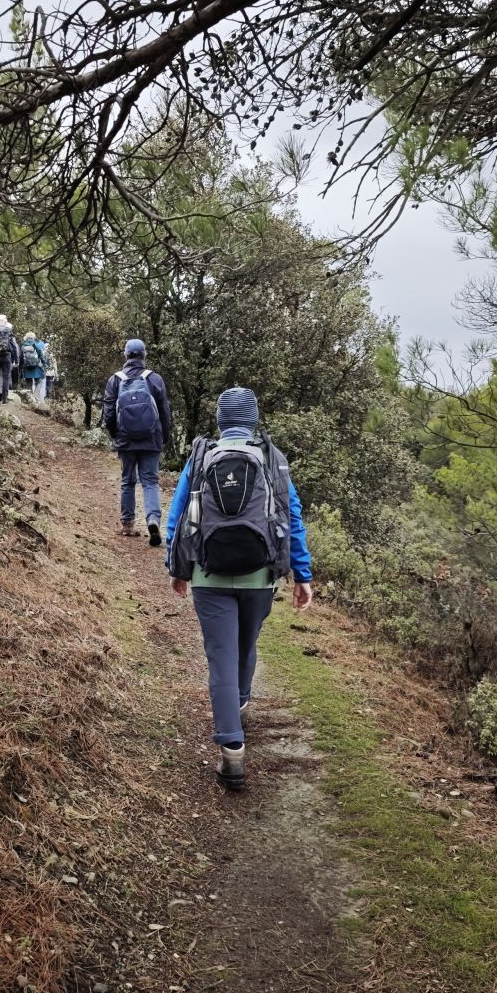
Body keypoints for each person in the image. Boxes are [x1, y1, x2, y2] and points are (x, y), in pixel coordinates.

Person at [166, 387, 313, 789]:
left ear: (220, 420)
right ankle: (241, 702)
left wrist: (176, 568)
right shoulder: (271, 457)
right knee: (245, 647)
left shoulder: (201, 456)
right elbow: (292, 517)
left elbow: (178, 514)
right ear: (253, 419)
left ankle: (232, 751)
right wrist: (302, 575)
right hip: (259, 577)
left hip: (208, 575)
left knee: (221, 658)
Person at [102, 338, 172, 543]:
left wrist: (116, 435)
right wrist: (164, 436)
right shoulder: (155, 379)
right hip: (151, 438)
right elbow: (164, 412)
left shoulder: (115, 380)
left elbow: (108, 414)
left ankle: (127, 524)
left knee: (128, 481)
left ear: (125, 355)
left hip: (125, 440)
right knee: (150, 481)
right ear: (144, 355)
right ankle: (153, 519)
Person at [20, 330, 48, 405]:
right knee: (39, 381)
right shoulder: (35, 344)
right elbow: (41, 354)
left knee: (29, 383)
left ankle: (30, 400)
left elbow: (21, 358)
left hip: (27, 367)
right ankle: (36, 397)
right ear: (33, 337)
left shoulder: (23, 346)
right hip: (36, 366)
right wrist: (44, 364)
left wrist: (21, 368)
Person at [0, 314, 17, 405]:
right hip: (7, 355)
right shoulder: (9, 331)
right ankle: (4, 398)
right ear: (5, 320)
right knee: (6, 377)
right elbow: (14, 346)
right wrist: (16, 359)